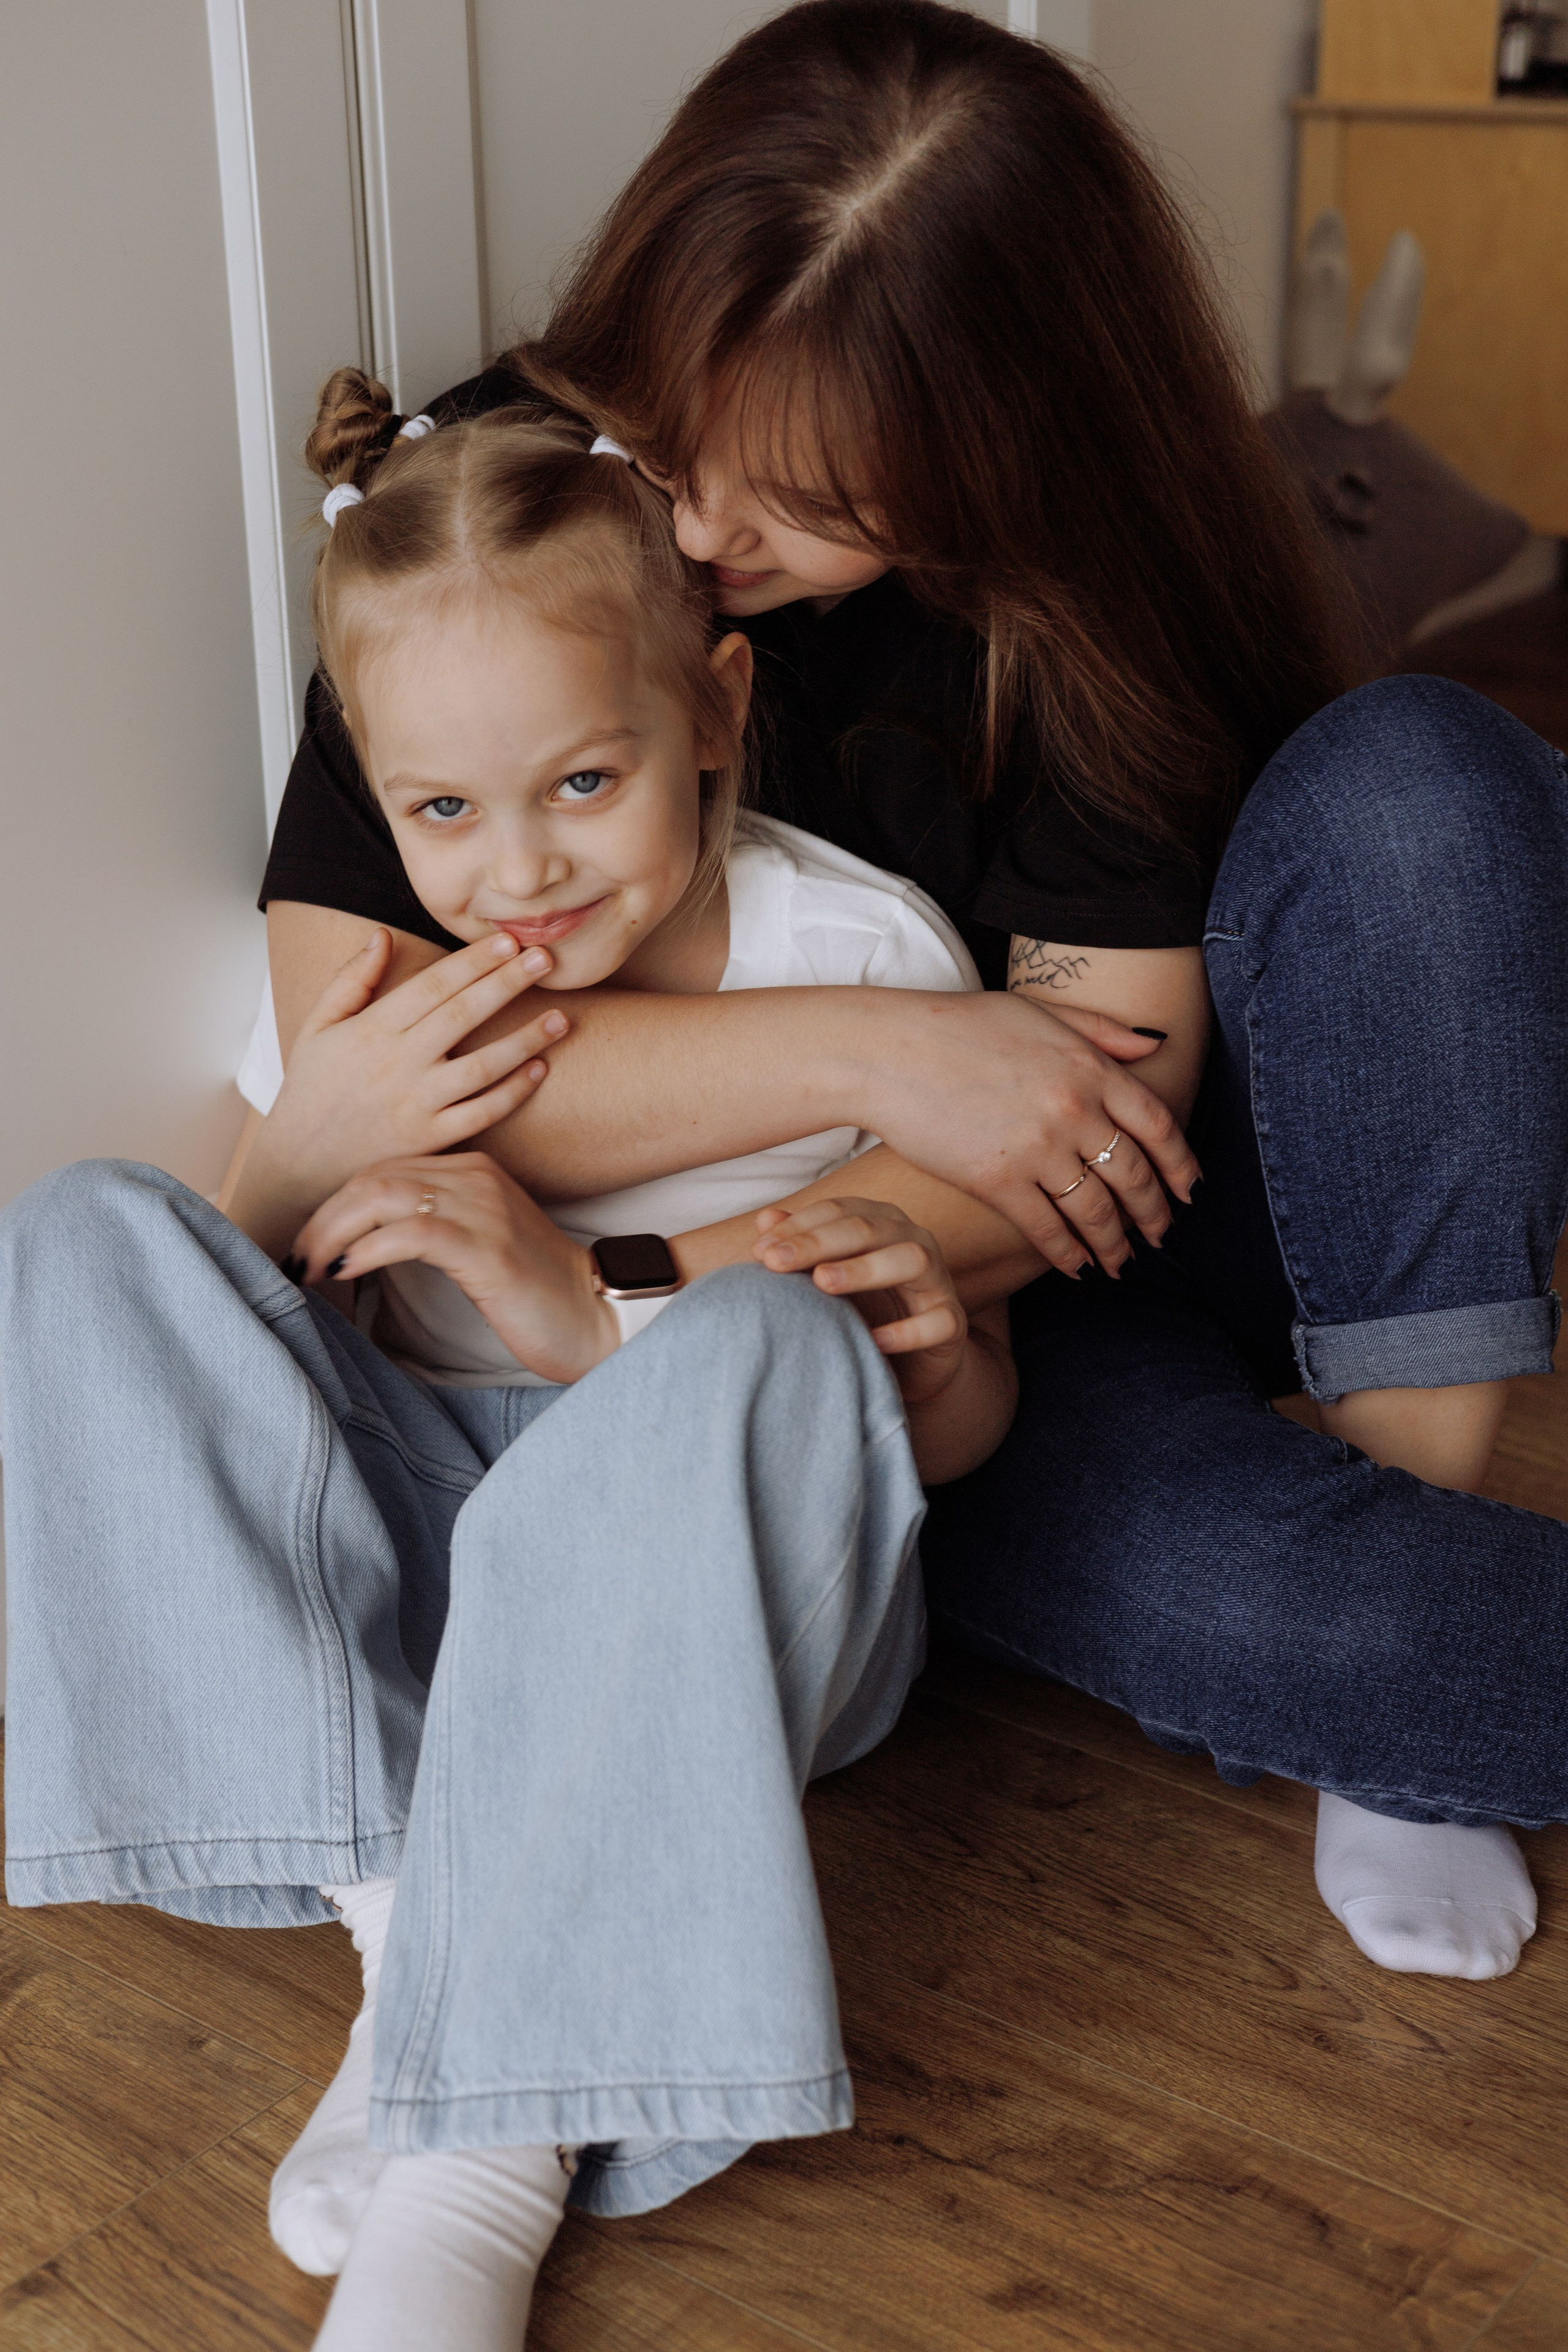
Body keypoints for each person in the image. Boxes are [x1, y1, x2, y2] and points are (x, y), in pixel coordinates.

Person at [258, 0, 1568, 1987]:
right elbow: (366, 1050)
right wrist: (895, 1055)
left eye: (809, 502)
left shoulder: (1089, 599)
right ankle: (1374, 1665)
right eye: (689, 440)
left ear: (997, 461)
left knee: (1437, 786)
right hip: (885, 1355)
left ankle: (1399, 1563)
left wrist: (917, 1140)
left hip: (1098, 1236)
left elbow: (1078, 1132)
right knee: (1356, 1638)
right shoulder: (489, 514)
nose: (699, 534)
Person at [0, 390, 1023, 2351]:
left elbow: (961, 1429)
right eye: (443, 812)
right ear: (370, 795)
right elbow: (220, 1338)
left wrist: (598, 1320)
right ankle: (418, 1937)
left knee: (769, 1334)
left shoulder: (873, 963)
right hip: (414, 1620)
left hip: (712, 1631)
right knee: (89, 1237)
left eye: (583, 781)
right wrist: (301, 1148)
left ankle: (487, 2151)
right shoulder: (385, 994)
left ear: (716, 712)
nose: (520, 877)